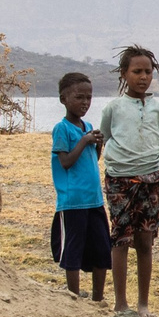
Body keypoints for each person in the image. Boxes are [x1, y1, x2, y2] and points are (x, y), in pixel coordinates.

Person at [95, 44, 159, 317]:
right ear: (124, 74)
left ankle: (143, 304)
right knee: (120, 239)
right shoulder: (113, 108)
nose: (143, 77)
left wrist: (151, 163)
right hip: (120, 181)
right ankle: (121, 302)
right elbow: (107, 136)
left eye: (148, 71)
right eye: (137, 71)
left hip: (151, 181)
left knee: (145, 242)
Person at [48, 71, 110, 302]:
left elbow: (92, 159)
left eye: (88, 98)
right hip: (73, 201)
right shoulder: (62, 129)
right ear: (64, 99)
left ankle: (98, 299)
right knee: (73, 250)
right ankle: (73, 297)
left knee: (101, 248)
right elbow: (65, 162)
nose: (85, 103)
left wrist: (97, 144)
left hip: (94, 199)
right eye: (79, 97)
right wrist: (84, 140)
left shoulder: (88, 125)